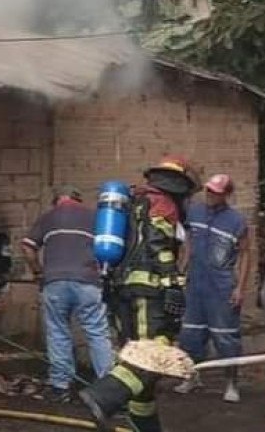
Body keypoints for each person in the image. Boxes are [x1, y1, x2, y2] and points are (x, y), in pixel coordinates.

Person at [79, 157, 199, 432]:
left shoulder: (133, 202)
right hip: (148, 292)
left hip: (121, 291)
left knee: (136, 358)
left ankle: (145, 426)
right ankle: (103, 396)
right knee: (154, 353)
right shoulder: (163, 203)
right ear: (178, 184)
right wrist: (172, 284)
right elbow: (158, 242)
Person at [21, 184, 113, 403]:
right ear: (78, 199)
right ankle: (108, 388)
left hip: (55, 283)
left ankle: (61, 387)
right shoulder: (95, 217)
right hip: (89, 283)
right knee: (97, 333)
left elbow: (27, 247)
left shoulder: (49, 217)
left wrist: (37, 272)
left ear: (57, 200)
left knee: (58, 331)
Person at [173, 174, 251, 402]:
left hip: (222, 287)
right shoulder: (195, 212)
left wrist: (240, 288)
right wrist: (181, 269)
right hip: (195, 285)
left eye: (216, 192)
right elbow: (188, 241)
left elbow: (246, 253)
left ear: (226, 195)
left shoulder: (236, 220)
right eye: (208, 191)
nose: (210, 195)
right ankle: (191, 377)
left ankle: (231, 384)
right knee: (190, 335)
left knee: (226, 338)